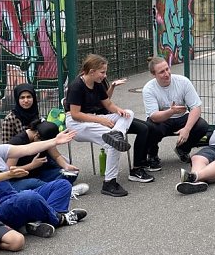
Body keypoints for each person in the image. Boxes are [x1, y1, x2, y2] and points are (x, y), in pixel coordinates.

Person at [0, 123, 86, 236]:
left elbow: (28, 148)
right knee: (29, 196)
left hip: (13, 196)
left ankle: (41, 221)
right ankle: (61, 219)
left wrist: (55, 141)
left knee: (63, 185)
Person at [65, 54, 154, 196]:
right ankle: (109, 183)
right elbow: (75, 114)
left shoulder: (98, 83)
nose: (104, 75)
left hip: (94, 118)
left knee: (128, 113)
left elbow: (108, 104)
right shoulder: (76, 86)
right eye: (102, 72)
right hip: (77, 124)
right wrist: (101, 120)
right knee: (113, 144)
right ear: (92, 71)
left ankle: (116, 133)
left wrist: (119, 111)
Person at [142, 56, 209, 170]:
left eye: (167, 69)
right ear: (154, 75)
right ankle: (152, 154)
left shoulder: (183, 82)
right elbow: (154, 116)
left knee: (202, 125)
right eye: (162, 72)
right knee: (149, 127)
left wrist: (187, 129)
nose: (167, 74)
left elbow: (196, 107)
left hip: (182, 117)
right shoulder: (149, 88)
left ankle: (183, 149)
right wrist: (171, 111)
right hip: (162, 119)